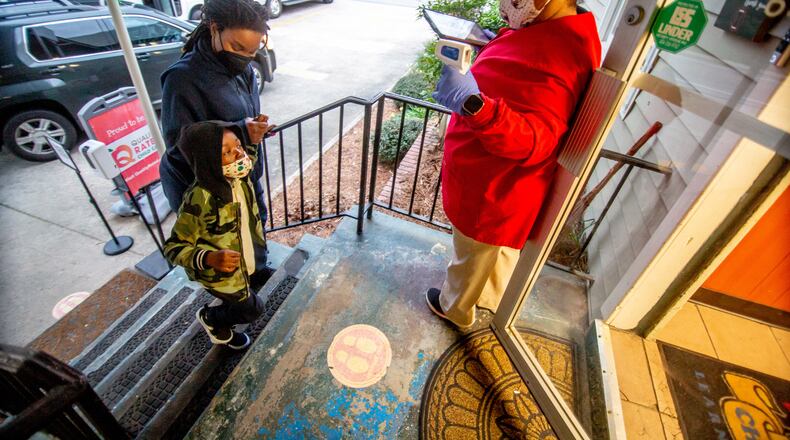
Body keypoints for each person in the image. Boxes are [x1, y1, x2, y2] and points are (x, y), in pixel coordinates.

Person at [425, 0, 602, 328]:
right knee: (489, 261)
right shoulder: (546, 29)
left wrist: (473, 104)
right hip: (490, 186)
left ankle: (456, 310)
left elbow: (535, 140)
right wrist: (498, 43)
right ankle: (487, 302)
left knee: (471, 262)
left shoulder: (560, 54)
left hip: (493, 195)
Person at [159, 0, 272, 276]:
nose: (245, 57)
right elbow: (179, 145)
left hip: (243, 179)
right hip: (208, 193)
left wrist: (254, 129)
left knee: (254, 232)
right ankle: (234, 295)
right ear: (214, 29)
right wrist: (241, 131)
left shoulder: (244, 69)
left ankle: (256, 272)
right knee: (224, 255)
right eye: (237, 47)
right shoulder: (182, 79)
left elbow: (241, 116)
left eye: (252, 51)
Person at [164, 121, 266, 349]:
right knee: (253, 310)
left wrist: (254, 141)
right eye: (227, 152)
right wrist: (209, 258)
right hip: (221, 274)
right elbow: (173, 248)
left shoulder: (238, 176)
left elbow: (249, 160)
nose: (238, 154)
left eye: (238, 145)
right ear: (208, 161)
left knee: (246, 289)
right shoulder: (201, 198)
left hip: (245, 260)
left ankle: (232, 301)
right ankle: (212, 318)